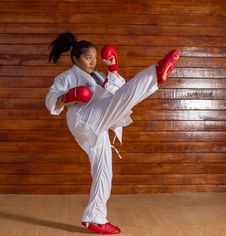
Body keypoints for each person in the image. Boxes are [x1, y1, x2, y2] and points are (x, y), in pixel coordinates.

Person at [45, 32, 179, 235]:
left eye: (94, 58)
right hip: (83, 118)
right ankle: (155, 74)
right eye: (88, 58)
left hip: (99, 123)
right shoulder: (67, 77)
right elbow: (51, 101)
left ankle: (95, 218)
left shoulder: (97, 76)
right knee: (121, 101)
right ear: (75, 58)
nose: (92, 62)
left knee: (104, 171)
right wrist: (66, 97)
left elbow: (120, 92)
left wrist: (113, 69)